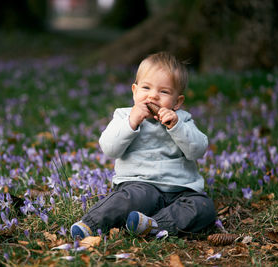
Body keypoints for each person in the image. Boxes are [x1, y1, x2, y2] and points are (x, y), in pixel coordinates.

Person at [70, 51, 216, 239]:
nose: (153, 96)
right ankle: (91, 224)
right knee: (130, 199)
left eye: (164, 92)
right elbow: (109, 148)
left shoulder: (183, 121)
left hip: (181, 191)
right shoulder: (124, 116)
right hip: (140, 186)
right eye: (146, 88)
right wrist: (131, 123)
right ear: (134, 91)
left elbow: (197, 150)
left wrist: (177, 126)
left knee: (204, 208)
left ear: (177, 102)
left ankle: (154, 227)